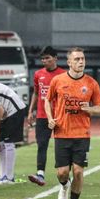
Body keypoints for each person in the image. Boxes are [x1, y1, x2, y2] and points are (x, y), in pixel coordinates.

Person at [45, 47, 100, 199]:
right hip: (62, 133)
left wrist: (90, 109)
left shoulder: (91, 83)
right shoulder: (58, 80)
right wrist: (50, 118)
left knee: (78, 172)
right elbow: (47, 101)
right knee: (63, 172)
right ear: (69, 62)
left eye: (82, 59)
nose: (81, 62)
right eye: (77, 59)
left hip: (82, 134)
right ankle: (64, 186)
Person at [27, 46, 66, 186]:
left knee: (62, 146)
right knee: (42, 145)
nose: (45, 61)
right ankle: (40, 174)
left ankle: (65, 173)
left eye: (47, 58)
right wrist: (30, 111)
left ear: (55, 58)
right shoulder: (38, 74)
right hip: (42, 116)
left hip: (59, 116)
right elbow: (36, 93)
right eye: (42, 59)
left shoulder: (63, 75)